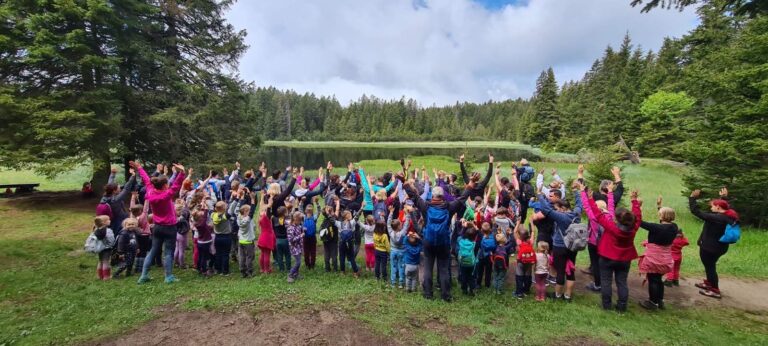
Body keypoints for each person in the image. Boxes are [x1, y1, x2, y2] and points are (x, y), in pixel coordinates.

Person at [405, 176, 470, 302]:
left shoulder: (426, 207)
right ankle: (446, 295)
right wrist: (471, 184)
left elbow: (414, 196)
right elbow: (462, 198)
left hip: (428, 241)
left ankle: (428, 293)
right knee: (444, 269)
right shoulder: (449, 207)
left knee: (428, 267)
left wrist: (404, 182)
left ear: (432, 195)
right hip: (443, 242)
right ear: (442, 196)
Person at [581, 181, 642, 312]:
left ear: (617, 219)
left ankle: (607, 306)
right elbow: (637, 217)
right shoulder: (633, 228)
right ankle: (621, 307)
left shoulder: (611, 226)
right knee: (622, 282)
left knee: (606, 281)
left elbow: (597, 214)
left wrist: (591, 198)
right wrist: (634, 201)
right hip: (625, 259)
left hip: (607, 257)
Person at [134, 161, 185, 284]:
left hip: (157, 227)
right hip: (169, 227)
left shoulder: (151, 192)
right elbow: (177, 185)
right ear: (164, 186)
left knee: (153, 251)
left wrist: (140, 168)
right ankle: (168, 277)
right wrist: (182, 172)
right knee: (168, 251)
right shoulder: (166, 195)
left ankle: (143, 275)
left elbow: (147, 180)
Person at [689, 188, 738, 299]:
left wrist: (692, 198)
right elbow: (725, 206)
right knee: (709, 266)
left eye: (713, 206)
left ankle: (715, 290)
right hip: (720, 247)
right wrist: (723, 198)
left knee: (710, 267)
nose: (711, 208)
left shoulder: (716, 218)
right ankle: (709, 284)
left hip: (710, 248)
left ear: (718, 208)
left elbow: (696, 211)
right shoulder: (729, 215)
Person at [537, 186, 583, 302]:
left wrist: (540, 196)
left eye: (558, 208)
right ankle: (567, 296)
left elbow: (547, 209)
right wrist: (577, 191)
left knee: (561, 270)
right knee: (571, 271)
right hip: (573, 246)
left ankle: (557, 295)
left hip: (560, 247)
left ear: (562, 208)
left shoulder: (561, 216)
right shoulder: (576, 214)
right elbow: (579, 204)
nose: (556, 210)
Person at [638, 196, 678, 310]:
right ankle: (660, 301)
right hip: (666, 259)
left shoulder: (656, 228)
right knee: (658, 279)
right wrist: (659, 206)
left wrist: (638, 207)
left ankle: (652, 302)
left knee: (653, 280)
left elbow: (639, 221)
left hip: (654, 259)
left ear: (662, 216)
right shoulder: (674, 227)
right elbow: (664, 220)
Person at [235, 190, 258, 278]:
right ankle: (250, 271)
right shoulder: (246, 220)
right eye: (248, 211)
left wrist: (241, 197)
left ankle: (242, 271)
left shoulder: (239, 218)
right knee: (249, 257)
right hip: (248, 241)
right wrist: (252, 199)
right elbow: (252, 212)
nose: (250, 212)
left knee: (241, 257)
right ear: (245, 212)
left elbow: (239, 209)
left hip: (241, 241)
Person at [388, 206, 409, 288]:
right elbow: (406, 225)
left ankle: (393, 283)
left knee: (393, 266)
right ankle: (401, 283)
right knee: (401, 266)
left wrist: (391, 213)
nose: (402, 224)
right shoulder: (402, 233)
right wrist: (407, 214)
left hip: (393, 251)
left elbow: (388, 223)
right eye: (400, 224)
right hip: (401, 252)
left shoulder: (390, 232)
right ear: (399, 227)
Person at [514, 225, 535, 299]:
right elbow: (533, 232)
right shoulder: (531, 242)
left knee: (519, 277)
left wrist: (518, 223)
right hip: (529, 262)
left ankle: (519, 293)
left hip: (520, 262)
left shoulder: (519, 242)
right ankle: (526, 291)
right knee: (528, 276)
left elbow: (514, 231)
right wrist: (532, 224)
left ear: (519, 236)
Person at [457, 221, 478, 296]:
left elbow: (460, 235)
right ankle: (472, 290)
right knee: (471, 277)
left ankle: (464, 289)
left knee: (464, 276)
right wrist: (476, 228)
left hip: (462, 262)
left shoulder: (461, 241)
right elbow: (479, 236)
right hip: (472, 264)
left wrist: (464, 227)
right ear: (475, 237)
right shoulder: (474, 244)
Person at [212, 201, 233, 275]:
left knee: (218, 253)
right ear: (224, 208)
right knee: (225, 254)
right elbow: (232, 209)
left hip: (217, 237)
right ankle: (225, 271)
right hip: (226, 237)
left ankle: (218, 269)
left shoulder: (213, 215)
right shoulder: (225, 216)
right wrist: (237, 198)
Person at [92, 215, 115, 280]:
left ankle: (99, 276)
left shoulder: (96, 229)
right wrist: (112, 245)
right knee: (106, 262)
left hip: (99, 248)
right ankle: (106, 276)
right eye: (108, 220)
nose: (110, 221)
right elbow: (111, 240)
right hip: (107, 248)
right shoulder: (108, 230)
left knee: (100, 261)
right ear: (104, 222)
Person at [256, 196, 276, 274]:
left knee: (262, 254)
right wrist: (270, 204)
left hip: (262, 238)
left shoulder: (260, 218)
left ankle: (262, 268)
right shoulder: (266, 218)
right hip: (267, 238)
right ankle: (266, 270)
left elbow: (262, 206)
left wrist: (262, 197)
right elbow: (268, 212)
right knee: (267, 254)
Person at [287, 211, 305, 283]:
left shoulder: (298, 226)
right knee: (298, 262)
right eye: (299, 220)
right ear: (295, 219)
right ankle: (290, 275)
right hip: (294, 248)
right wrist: (301, 236)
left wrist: (303, 229)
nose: (300, 222)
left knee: (299, 261)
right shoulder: (291, 228)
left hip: (299, 247)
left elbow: (300, 227)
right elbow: (291, 240)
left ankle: (296, 274)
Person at [302, 200, 320, 270]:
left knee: (306, 251)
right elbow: (319, 211)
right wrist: (317, 203)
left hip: (305, 236)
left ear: (305, 211)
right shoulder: (314, 217)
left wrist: (301, 202)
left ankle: (307, 264)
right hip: (313, 237)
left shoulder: (303, 217)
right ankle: (312, 265)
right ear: (312, 211)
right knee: (313, 251)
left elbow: (300, 210)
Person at [272, 206, 290, 272]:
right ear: (284, 213)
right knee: (287, 254)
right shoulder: (285, 219)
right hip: (285, 239)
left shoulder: (273, 218)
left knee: (279, 255)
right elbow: (286, 224)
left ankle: (281, 269)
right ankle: (288, 268)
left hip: (277, 240)